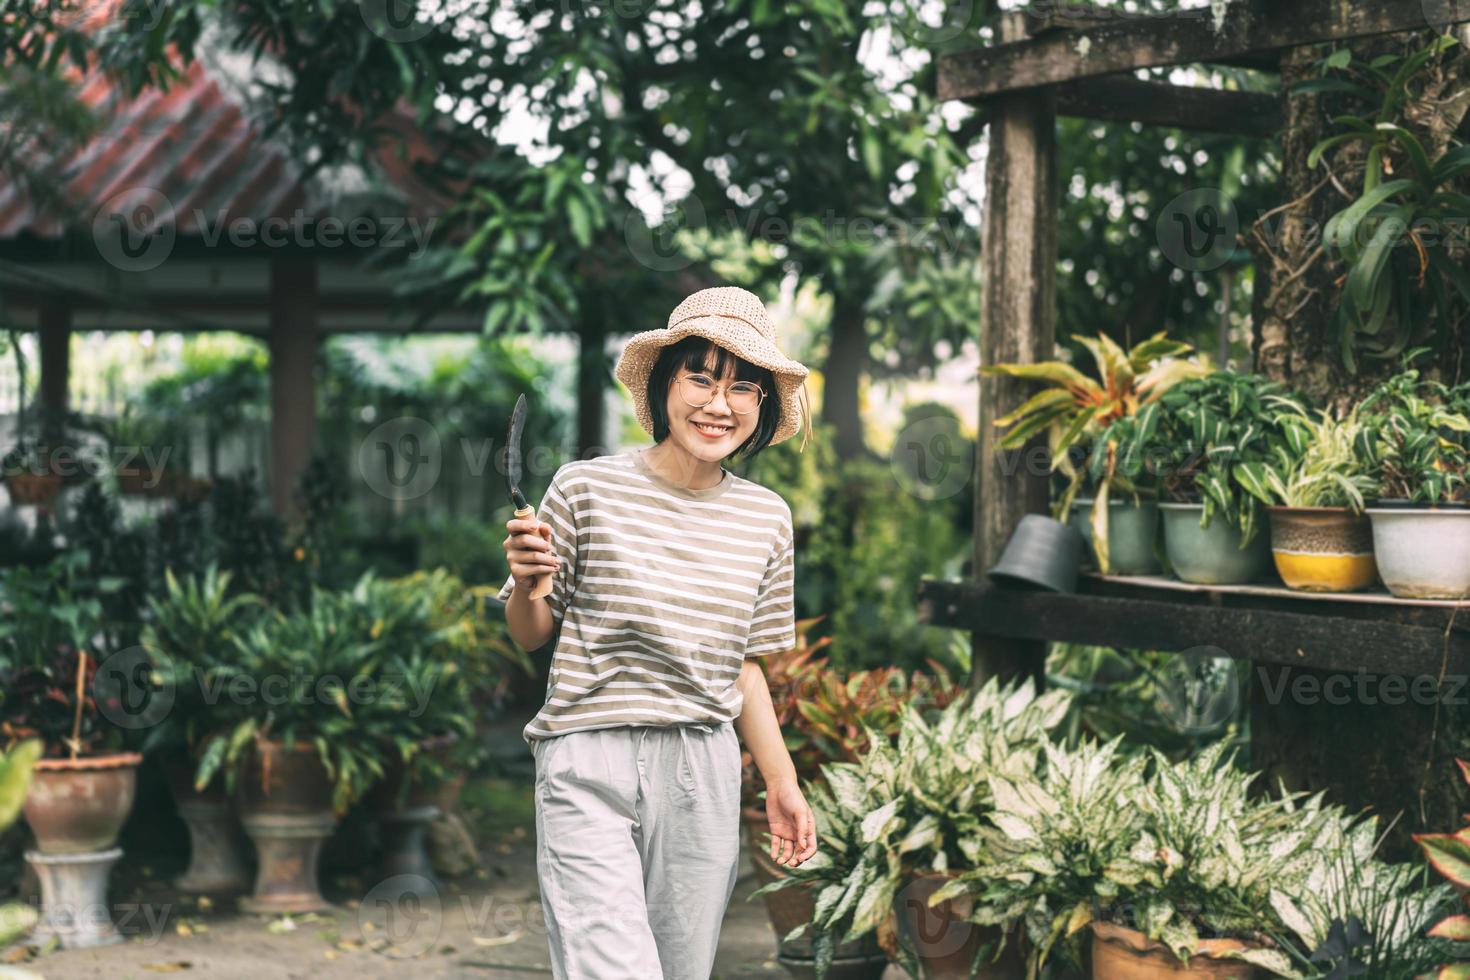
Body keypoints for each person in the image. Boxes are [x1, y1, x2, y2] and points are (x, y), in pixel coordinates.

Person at [499, 285, 819, 980]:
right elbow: (531, 634)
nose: (717, 403)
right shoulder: (586, 489)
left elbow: (743, 668)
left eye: (742, 386)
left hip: (701, 769)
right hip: (588, 756)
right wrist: (527, 583)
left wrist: (781, 781)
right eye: (699, 376)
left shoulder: (767, 519)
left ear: (762, 405)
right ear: (664, 384)